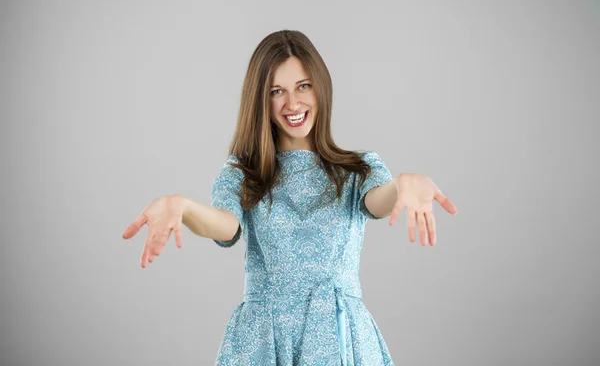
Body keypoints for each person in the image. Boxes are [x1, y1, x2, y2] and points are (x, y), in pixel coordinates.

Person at [122, 30, 458, 365]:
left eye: (303, 86)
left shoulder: (357, 170)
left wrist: (402, 185)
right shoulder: (242, 174)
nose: (293, 104)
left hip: (339, 341)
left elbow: (377, 201)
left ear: (320, 87)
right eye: (276, 92)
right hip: (265, 341)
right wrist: (184, 207)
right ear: (260, 100)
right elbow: (226, 226)